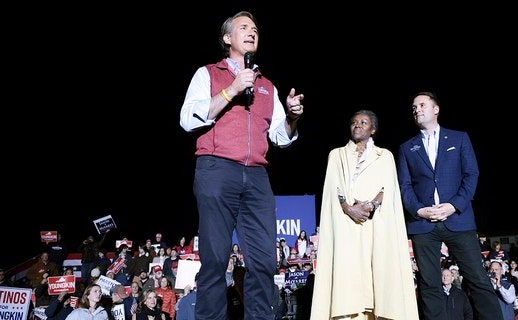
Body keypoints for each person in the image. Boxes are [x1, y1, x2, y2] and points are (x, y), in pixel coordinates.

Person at [178, 10, 304, 320]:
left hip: (257, 176)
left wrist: (292, 117)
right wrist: (232, 89)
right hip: (217, 170)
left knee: (263, 262)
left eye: (255, 29)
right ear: (227, 38)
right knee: (216, 260)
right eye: (243, 28)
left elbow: (280, 138)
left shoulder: (267, 86)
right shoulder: (207, 74)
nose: (251, 32)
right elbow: (187, 119)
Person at [397, 91, 502, 320]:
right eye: (414, 107)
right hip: (423, 225)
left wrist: (454, 206)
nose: (416, 109)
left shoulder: (459, 138)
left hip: (458, 220)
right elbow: (404, 186)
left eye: (422, 105)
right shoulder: (407, 148)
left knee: (477, 278)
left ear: (436, 109)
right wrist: (418, 210)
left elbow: (471, 175)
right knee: (429, 284)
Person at [310, 110, 418, 319]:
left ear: (373, 129)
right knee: (347, 273)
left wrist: (371, 205)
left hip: (376, 223)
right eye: (354, 122)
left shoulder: (384, 155)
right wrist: (348, 208)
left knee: (379, 267)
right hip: (346, 223)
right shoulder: (337, 155)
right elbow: (334, 188)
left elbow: (389, 188)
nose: (357, 125)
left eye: (363, 122)